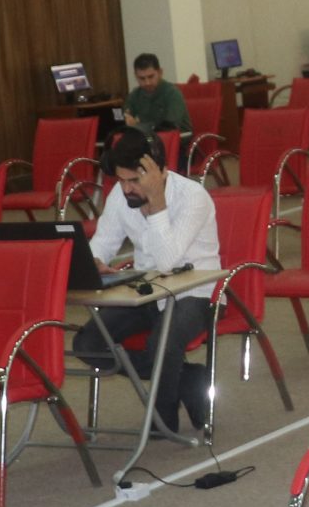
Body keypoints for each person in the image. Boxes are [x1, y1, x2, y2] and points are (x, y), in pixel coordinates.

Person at [75, 127, 220, 437]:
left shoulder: (193, 197)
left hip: (197, 293)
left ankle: (163, 418)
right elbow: (103, 242)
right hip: (146, 292)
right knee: (88, 345)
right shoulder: (121, 195)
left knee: (162, 345)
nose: (127, 189)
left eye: (135, 180)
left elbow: (167, 260)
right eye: (121, 180)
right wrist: (95, 260)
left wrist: (156, 203)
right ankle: (188, 378)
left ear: (160, 172)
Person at [124, 54, 190, 134]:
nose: (147, 83)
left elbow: (170, 127)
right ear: (135, 76)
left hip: (177, 138)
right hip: (148, 138)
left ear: (160, 73)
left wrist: (139, 126)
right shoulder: (134, 95)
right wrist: (126, 120)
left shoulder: (172, 93)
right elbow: (123, 119)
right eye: (142, 78)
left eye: (151, 77)